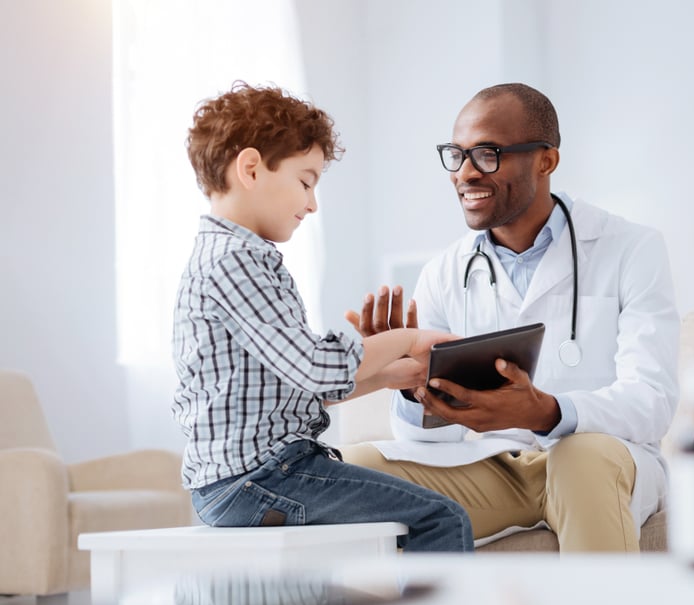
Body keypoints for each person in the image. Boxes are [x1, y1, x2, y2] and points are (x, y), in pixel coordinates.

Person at [343, 83, 679, 552]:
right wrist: (405, 380)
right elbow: (423, 437)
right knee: (354, 469)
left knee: (579, 458)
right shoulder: (444, 271)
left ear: (546, 160)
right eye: (456, 155)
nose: (464, 173)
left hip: (600, 457)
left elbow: (652, 400)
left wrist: (547, 411)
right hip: (495, 467)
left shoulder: (631, 248)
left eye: (486, 154)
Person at [171, 82, 473, 552]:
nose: (312, 204)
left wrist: (391, 377)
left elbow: (291, 391)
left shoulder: (230, 256)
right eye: (306, 182)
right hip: (259, 479)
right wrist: (409, 339)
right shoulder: (238, 261)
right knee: (441, 519)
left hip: (244, 480)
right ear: (251, 168)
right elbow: (315, 369)